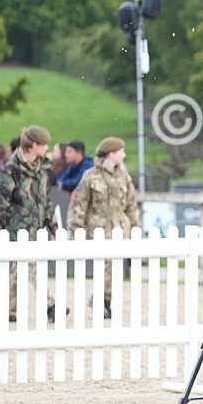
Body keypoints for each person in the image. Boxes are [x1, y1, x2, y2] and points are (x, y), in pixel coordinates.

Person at [0, 125, 58, 322]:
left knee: (22, 269)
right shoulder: (11, 170)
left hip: (36, 229)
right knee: (32, 265)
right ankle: (50, 305)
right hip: (17, 229)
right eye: (44, 144)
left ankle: (9, 309)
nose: (47, 148)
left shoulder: (41, 170)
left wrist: (53, 227)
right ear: (34, 146)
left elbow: (46, 201)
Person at [68, 137, 140, 319]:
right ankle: (101, 300)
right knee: (107, 266)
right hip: (99, 230)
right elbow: (79, 205)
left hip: (120, 229)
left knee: (116, 268)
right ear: (111, 154)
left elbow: (131, 203)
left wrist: (135, 226)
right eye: (121, 151)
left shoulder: (123, 176)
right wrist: (76, 229)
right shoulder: (91, 176)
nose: (124, 155)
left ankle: (104, 300)